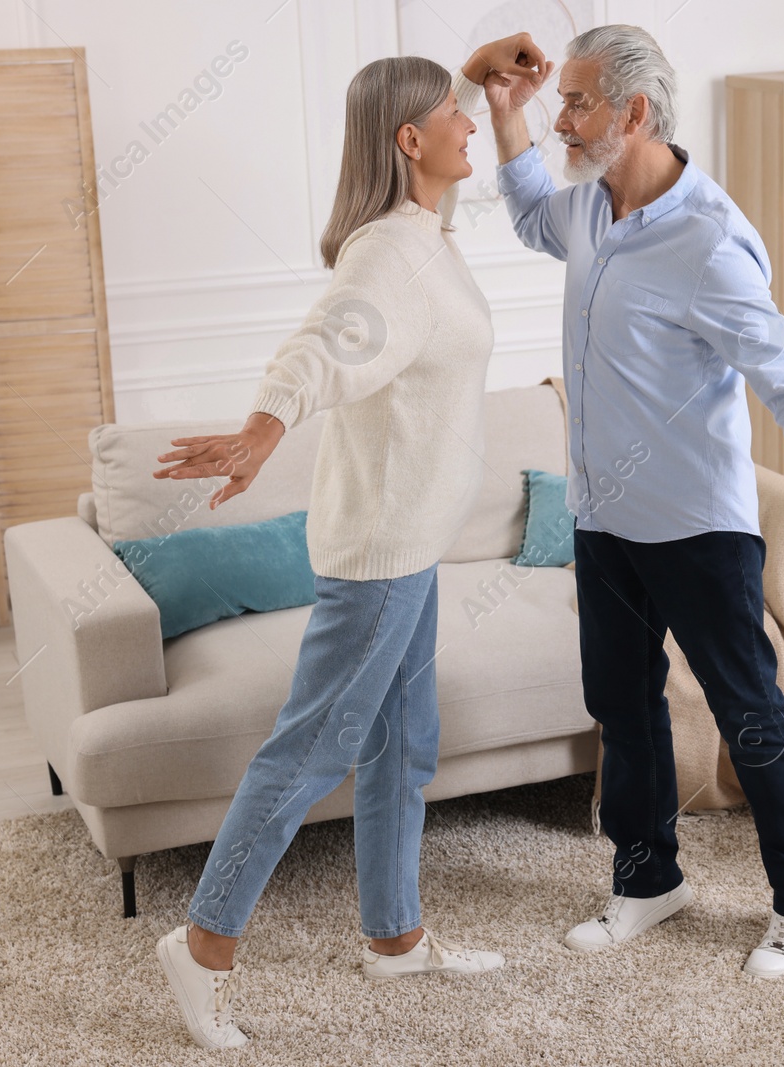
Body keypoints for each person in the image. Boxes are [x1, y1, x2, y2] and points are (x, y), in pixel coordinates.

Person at [148, 52, 537, 1049]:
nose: (466, 125)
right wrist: (261, 427)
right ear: (409, 140)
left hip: (413, 547)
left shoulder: (426, 239)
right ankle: (200, 947)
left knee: (400, 745)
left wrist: (486, 79)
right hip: (376, 552)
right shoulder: (388, 255)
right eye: (450, 113)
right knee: (310, 747)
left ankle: (394, 940)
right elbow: (322, 345)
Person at [464, 25, 784, 979]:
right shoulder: (591, 209)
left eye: (579, 102)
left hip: (698, 527)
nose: (564, 118)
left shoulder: (709, 240)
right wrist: (505, 111)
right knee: (622, 707)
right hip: (603, 519)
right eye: (563, 103)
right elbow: (523, 214)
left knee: (748, 709)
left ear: (635, 113)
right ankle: (647, 880)